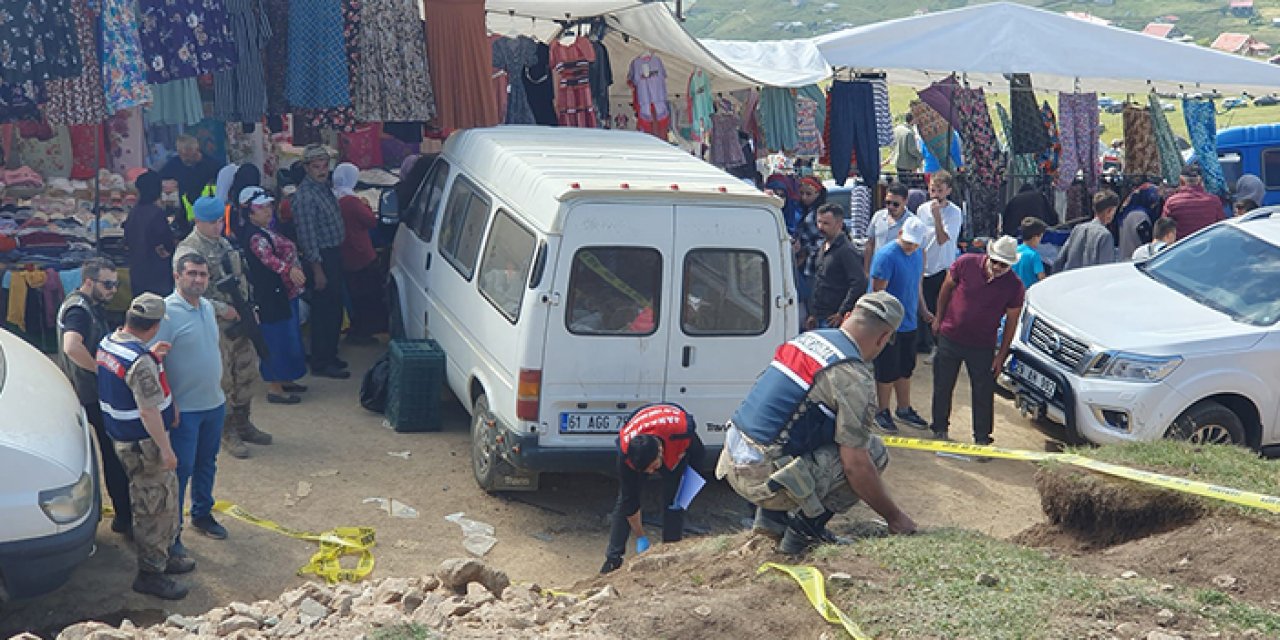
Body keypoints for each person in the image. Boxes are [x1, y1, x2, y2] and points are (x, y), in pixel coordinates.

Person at [717, 291, 917, 555]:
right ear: (883, 338)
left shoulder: (806, 339)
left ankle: (771, 521)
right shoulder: (852, 376)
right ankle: (803, 536)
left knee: (803, 428)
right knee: (873, 451)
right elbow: (856, 466)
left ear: (847, 317)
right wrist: (894, 516)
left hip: (731, 459)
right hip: (762, 479)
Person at [97, 293, 193, 599]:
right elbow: (148, 410)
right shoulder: (139, 362)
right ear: (153, 326)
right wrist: (166, 449)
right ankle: (151, 573)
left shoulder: (109, 343)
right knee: (154, 506)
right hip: (144, 445)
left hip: (123, 439)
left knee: (156, 500)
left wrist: (152, 356)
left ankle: (163, 558)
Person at [175, 196, 272, 459]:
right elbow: (187, 292)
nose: (217, 227)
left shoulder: (224, 243)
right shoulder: (188, 251)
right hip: (214, 322)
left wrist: (249, 309)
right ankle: (227, 431)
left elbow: (241, 278)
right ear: (198, 221)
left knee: (247, 370)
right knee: (224, 378)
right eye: (212, 222)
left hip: (240, 318)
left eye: (220, 221)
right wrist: (222, 309)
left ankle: (244, 422)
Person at [156, 253, 230, 553]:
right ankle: (172, 533)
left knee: (206, 463)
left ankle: (202, 514)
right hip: (183, 410)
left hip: (213, 403)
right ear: (177, 276)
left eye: (203, 274)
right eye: (192, 274)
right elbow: (155, 363)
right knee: (181, 470)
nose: (198, 279)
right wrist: (168, 401)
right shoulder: (166, 314)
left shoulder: (208, 307)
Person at [57, 259, 132, 538]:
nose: (113, 290)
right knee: (114, 456)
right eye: (108, 284)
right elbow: (72, 346)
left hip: (87, 392)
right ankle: (124, 516)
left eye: (116, 283)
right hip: (92, 394)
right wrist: (103, 372)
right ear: (89, 281)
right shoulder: (79, 309)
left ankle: (122, 514)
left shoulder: (81, 304)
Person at [928, 236, 1026, 446]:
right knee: (943, 385)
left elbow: (1012, 322)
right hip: (950, 336)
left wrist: (1001, 355)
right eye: (995, 261)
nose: (998, 267)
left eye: (1004, 264)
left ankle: (982, 438)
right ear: (988, 256)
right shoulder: (966, 263)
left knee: (983, 392)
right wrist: (938, 317)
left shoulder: (1015, 286)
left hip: (982, 345)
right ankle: (939, 428)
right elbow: (946, 288)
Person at [600, 404, 705, 574]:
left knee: (673, 502)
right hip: (648, 442)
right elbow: (630, 502)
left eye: (653, 467)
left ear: (660, 452)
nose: (651, 473)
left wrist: (688, 489)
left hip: (673, 446)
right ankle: (612, 559)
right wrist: (641, 536)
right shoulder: (626, 452)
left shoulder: (682, 433)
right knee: (625, 500)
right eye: (647, 470)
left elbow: (699, 456)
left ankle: (670, 556)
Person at [240, 187, 309, 404]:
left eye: (268, 206)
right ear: (249, 212)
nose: (268, 211)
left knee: (289, 337)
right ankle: (275, 387)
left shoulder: (265, 230)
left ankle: (285, 378)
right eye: (261, 208)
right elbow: (267, 259)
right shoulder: (255, 237)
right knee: (275, 339)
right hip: (271, 295)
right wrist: (289, 270)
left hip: (283, 293)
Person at [868, 216, 933, 433]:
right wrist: (884, 326)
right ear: (899, 235)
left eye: (914, 243)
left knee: (906, 368)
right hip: (888, 324)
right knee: (886, 370)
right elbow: (878, 293)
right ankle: (882, 410)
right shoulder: (886, 256)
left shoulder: (917, 255)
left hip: (909, 323)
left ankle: (903, 408)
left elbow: (916, 285)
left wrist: (923, 310)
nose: (911, 246)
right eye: (907, 242)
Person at [294, 144, 350, 379]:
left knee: (335, 307)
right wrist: (317, 270)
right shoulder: (306, 197)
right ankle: (321, 360)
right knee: (323, 310)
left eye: (324, 166)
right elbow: (307, 238)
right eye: (316, 167)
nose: (322, 171)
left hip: (333, 254)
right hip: (321, 259)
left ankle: (330, 354)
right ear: (307, 168)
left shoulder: (323, 188)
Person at [333, 162, 387, 344]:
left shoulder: (334, 198)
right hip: (361, 252)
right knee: (368, 294)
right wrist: (367, 206)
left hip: (344, 252)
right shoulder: (352, 202)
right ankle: (364, 331)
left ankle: (358, 329)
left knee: (355, 293)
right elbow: (371, 221)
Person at [915, 170, 963, 358]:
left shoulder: (954, 213)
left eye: (940, 191)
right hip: (925, 265)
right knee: (924, 306)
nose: (935, 195)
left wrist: (937, 217)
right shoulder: (922, 209)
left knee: (941, 307)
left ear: (948, 191)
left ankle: (941, 346)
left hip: (943, 267)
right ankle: (924, 343)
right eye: (932, 190)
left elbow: (943, 239)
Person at [807, 204, 867, 330]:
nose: (820, 227)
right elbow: (819, 280)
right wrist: (813, 313)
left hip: (833, 319)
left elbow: (859, 283)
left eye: (826, 223)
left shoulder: (846, 250)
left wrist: (842, 312)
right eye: (819, 222)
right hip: (819, 316)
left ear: (839, 224)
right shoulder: (824, 246)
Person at [124, 171, 176, 296]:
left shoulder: (134, 213)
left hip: (137, 270)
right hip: (156, 275)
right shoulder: (157, 214)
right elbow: (166, 242)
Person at [159, 135, 220, 224]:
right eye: (181, 155)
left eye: (188, 155)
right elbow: (158, 179)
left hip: (207, 214)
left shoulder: (213, 165)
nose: (184, 159)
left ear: (196, 150)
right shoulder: (174, 164)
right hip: (182, 217)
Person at [1053, 190, 1119, 272]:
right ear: (1109, 211)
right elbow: (1106, 269)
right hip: (1091, 282)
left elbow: (1059, 261)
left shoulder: (1077, 229)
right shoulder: (1105, 235)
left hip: (1071, 280)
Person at [792, 177, 828, 323]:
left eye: (809, 194)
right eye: (802, 193)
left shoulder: (819, 214)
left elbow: (823, 241)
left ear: (818, 194)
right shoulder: (803, 211)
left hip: (814, 266)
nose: (804, 197)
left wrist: (805, 250)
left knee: (813, 306)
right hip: (804, 266)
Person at [1162, 164, 1224, 239]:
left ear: (1181, 181)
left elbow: (1163, 230)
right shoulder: (1214, 201)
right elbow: (1221, 227)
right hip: (1208, 247)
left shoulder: (1172, 202)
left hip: (1181, 248)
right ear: (1200, 181)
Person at [863, 184, 910, 274]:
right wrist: (866, 271)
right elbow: (870, 244)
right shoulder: (878, 216)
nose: (891, 207)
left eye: (895, 204)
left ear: (905, 201)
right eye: (888, 203)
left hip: (899, 273)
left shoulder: (911, 222)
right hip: (877, 270)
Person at [1116, 183, 1161, 260]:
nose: (1154, 205)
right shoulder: (1140, 216)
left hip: (1124, 257)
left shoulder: (1127, 213)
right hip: (1136, 259)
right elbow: (1146, 241)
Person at [1013, 218, 1047, 288]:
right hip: (1029, 293)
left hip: (1014, 292)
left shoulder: (1014, 251)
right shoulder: (1034, 255)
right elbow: (1041, 278)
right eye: (1040, 237)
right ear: (1035, 237)